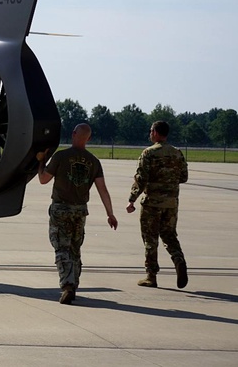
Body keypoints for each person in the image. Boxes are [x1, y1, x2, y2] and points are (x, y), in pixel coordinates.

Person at [38, 123, 118, 304]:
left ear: (74, 134)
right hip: (80, 211)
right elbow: (102, 189)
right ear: (88, 139)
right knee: (75, 250)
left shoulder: (60, 157)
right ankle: (74, 284)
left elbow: (43, 179)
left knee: (62, 248)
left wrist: (41, 161)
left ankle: (67, 285)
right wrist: (110, 214)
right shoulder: (94, 161)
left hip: (61, 210)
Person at [127, 121, 189, 289]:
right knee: (169, 235)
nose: (150, 133)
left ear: (155, 132)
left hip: (152, 203)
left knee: (150, 238)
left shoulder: (149, 153)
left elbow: (141, 179)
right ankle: (178, 260)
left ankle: (151, 275)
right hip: (171, 203)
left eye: (151, 130)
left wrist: (132, 199)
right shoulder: (177, 153)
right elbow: (183, 177)